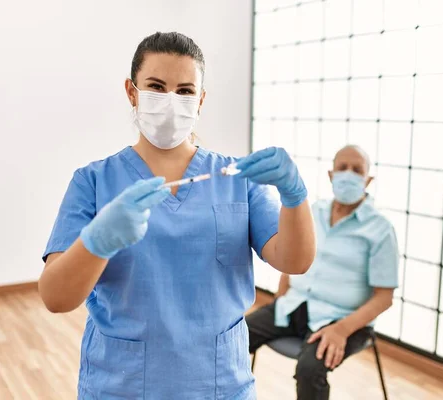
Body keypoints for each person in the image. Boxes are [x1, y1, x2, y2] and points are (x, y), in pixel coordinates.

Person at [38, 32, 316, 400]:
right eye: (156, 86)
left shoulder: (237, 179)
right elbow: (55, 297)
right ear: (132, 91)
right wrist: (97, 242)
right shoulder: (92, 181)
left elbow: (295, 261)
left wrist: (295, 197)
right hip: (123, 387)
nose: (171, 101)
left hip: (219, 385)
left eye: (185, 91)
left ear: (200, 100)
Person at [247, 145, 399, 400]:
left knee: (309, 369)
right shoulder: (313, 211)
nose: (348, 174)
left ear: (368, 179)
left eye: (357, 170)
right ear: (331, 175)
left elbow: (384, 298)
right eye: (342, 168)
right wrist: (281, 297)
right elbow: (293, 257)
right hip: (295, 304)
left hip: (342, 320)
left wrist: (341, 330)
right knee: (235, 339)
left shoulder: (381, 229)